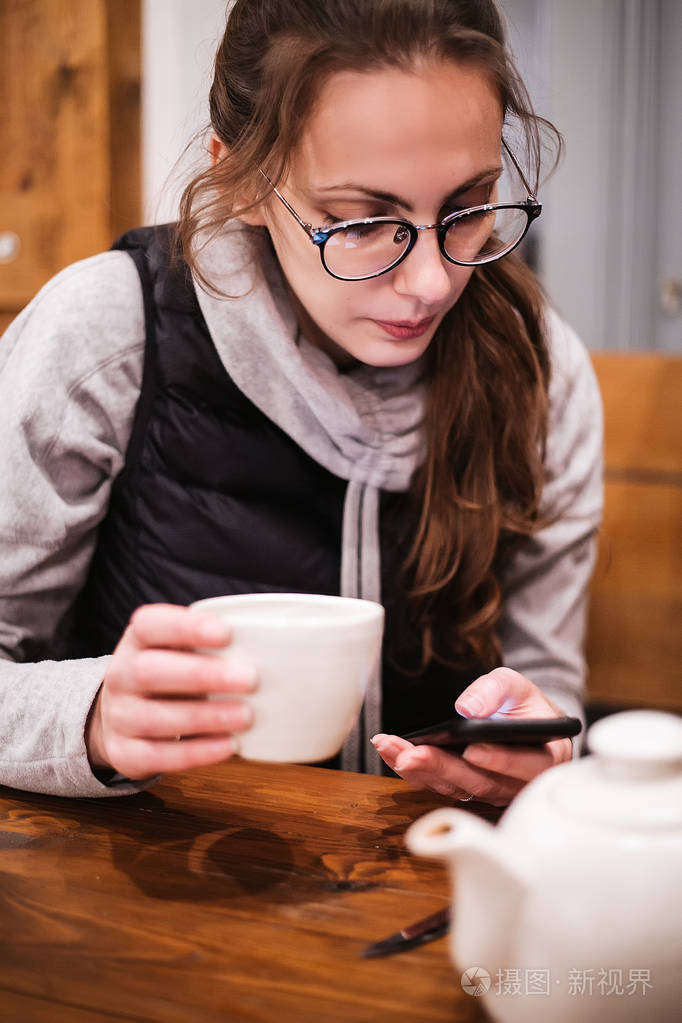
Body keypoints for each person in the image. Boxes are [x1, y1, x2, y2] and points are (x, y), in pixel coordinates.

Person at [0, 0, 602, 804]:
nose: (432, 282)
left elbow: (548, 693)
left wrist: (537, 758)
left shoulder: (540, 370)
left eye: (468, 207)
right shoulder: (108, 333)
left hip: (419, 890)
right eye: (360, 222)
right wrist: (94, 718)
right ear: (238, 176)